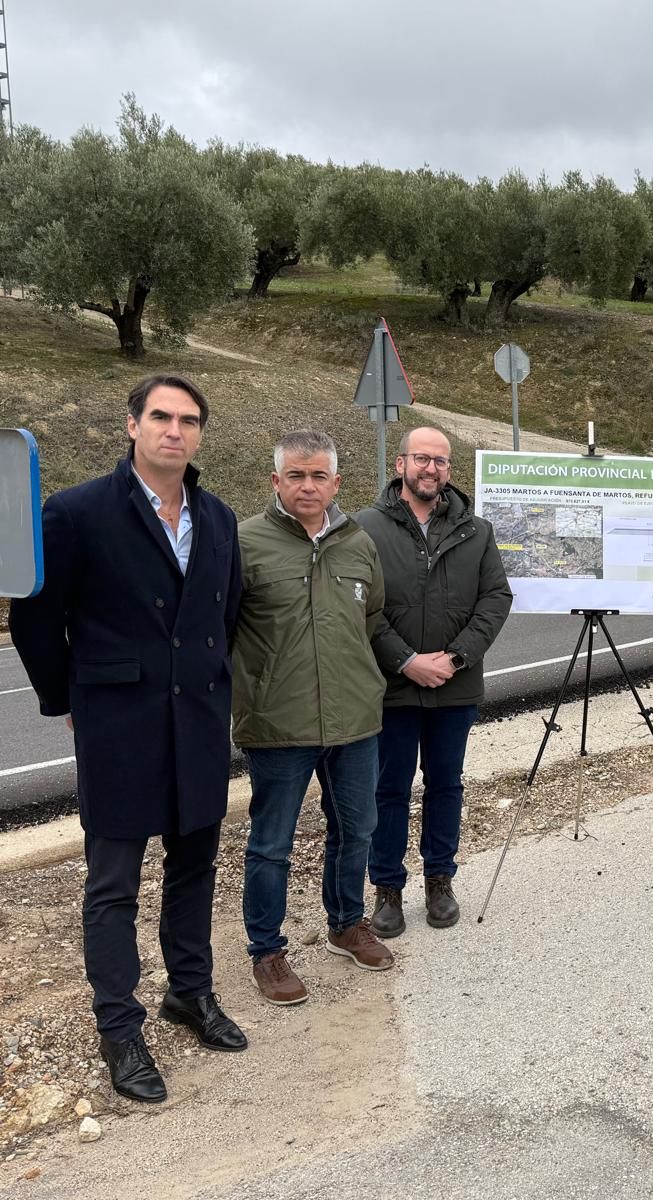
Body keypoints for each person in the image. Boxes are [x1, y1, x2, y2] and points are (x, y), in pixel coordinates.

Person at [10, 375, 247, 1104]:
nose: (174, 430)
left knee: (195, 869)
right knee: (112, 887)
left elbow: (226, 609)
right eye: (161, 417)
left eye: (188, 420)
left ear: (201, 433)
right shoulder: (76, 512)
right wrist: (69, 698)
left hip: (199, 724)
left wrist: (210, 677)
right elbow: (35, 621)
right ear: (132, 425)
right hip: (120, 725)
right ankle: (119, 1026)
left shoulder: (218, 517)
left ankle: (191, 992)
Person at [233, 431, 392, 1005]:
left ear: (335, 483)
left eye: (317, 475)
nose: (307, 486)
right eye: (295, 476)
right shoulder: (244, 543)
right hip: (279, 723)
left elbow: (369, 617)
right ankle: (266, 951)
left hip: (354, 719)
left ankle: (347, 923)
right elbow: (223, 627)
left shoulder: (358, 543)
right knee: (272, 842)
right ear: (276, 481)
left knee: (358, 828)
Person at [356, 427, 511, 935]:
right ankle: (387, 888)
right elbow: (361, 607)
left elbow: (495, 599)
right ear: (400, 464)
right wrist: (406, 661)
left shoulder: (477, 530)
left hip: (455, 686)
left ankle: (440, 880)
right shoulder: (364, 529)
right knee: (389, 790)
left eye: (441, 461)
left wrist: (457, 657)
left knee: (446, 785)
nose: (431, 468)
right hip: (392, 688)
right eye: (422, 458)